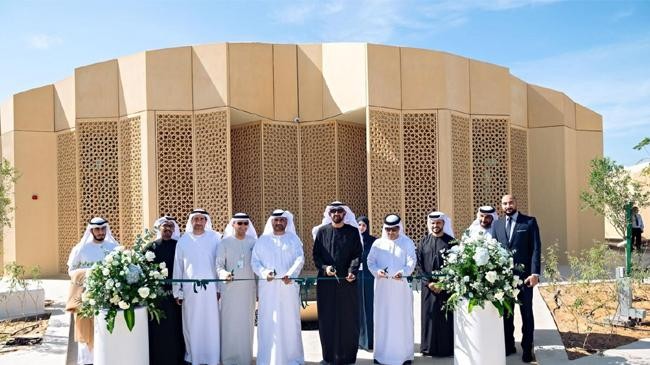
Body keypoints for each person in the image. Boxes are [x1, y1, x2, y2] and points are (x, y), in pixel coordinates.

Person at [251, 209, 305, 365]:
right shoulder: (262, 240)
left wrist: (291, 274)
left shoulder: (293, 240)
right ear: (271, 222)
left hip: (288, 288)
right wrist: (264, 272)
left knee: (289, 321)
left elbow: (300, 259)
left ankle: (292, 359)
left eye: (282, 220)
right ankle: (268, 359)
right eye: (276, 220)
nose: (279, 223)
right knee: (269, 322)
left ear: (286, 222)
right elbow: (255, 262)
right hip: (268, 290)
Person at [312, 201, 363, 365]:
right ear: (329, 214)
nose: (336, 214)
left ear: (344, 214)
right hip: (326, 283)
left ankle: (348, 357)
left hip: (348, 282)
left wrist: (352, 271)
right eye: (333, 211)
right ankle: (329, 356)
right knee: (328, 318)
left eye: (339, 211)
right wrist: (325, 268)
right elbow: (316, 256)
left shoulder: (353, 232)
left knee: (348, 318)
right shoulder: (321, 232)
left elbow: (357, 255)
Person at [493, 195, 541, 363]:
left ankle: (527, 348)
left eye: (510, 202)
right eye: (505, 203)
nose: (508, 205)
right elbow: (493, 250)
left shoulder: (529, 222)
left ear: (516, 203)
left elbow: (536, 248)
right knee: (507, 314)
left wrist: (535, 273)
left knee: (526, 313)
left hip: (525, 278)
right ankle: (508, 345)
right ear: (501, 206)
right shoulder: (497, 224)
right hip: (504, 280)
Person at [66, 217, 119, 365]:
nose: (100, 232)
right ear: (91, 230)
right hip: (85, 298)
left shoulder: (114, 248)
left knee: (105, 330)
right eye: (97, 229)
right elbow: (71, 271)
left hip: (108, 298)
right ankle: (86, 362)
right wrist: (90, 272)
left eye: (103, 229)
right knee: (86, 332)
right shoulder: (81, 249)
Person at [172, 209, 222, 365]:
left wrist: (219, 288)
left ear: (206, 221)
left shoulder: (215, 238)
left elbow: (220, 264)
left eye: (202, 219)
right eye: (196, 219)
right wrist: (177, 291)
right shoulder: (183, 240)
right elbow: (178, 267)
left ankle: (212, 357)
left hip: (211, 291)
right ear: (191, 221)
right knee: (191, 323)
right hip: (189, 291)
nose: (199, 222)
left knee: (211, 323)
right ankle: (193, 356)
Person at [367, 214, 416, 365]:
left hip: (401, 288)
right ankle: (381, 355)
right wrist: (377, 271)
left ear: (399, 228)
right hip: (383, 288)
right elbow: (370, 262)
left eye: (394, 229)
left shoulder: (407, 242)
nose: (391, 232)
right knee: (383, 319)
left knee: (401, 319)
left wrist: (403, 272)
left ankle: (404, 356)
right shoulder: (378, 243)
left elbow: (412, 261)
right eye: (388, 229)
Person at [217, 213, 257, 365]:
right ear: (233, 224)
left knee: (246, 323)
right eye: (239, 223)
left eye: (245, 223)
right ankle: (228, 359)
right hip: (230, 289)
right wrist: (224, 274)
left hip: (248, 290)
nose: (242, 226)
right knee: (229, 323)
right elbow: (219, 265)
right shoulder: (224, 242)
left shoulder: (253, 242)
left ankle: (245, 359)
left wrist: (259, 291)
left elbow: (258, 267)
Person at [147, 216, 185, 365]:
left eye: (171, 226)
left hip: (175, 296)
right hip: (157, 297)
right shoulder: (150, 247)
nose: (168, 229)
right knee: (158, 328)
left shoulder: (179, 246)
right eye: (165, 226)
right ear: (159, 228)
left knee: (175, 328)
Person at [417, 211, 455, 357]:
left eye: (438, 223)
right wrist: (429, 283)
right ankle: (428, 348)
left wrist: (443, 283)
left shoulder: (451, 242)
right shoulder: (423, 242)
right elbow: (419, 265)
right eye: (433, 223)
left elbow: (455, 266)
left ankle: (446, 349)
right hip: (428, 287)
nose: (435, 226)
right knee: (429, 316)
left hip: (446, 288)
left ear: (443, 224)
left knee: (445, 316)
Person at [357, 215, 376, 351]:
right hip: (356, 277)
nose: (361, 227)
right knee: (357, 307)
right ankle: (359, 340)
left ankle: (371, 340)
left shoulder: (374, 241)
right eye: (359, 224)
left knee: (370, 306)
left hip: (369, 277)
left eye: (363, 225)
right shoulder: (353, 239)